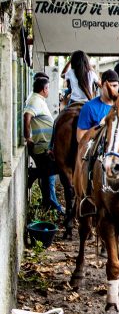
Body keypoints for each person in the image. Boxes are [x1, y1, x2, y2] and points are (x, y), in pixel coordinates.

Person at [23, 76, 59, 212]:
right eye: (48, 88)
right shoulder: (35, 100)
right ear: (44, 89)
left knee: (48, 173)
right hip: (42, 145)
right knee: (50, 171)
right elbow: (27, 116)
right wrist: (28, 137)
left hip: (45, 143)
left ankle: (48, 203)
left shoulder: (38, 100)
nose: (49, 90)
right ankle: (53, 204)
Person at [76, 70, 119, 142]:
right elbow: (80, 137)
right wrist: (99, 130)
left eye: (115, 86)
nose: (111, 89)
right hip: (97, 150)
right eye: (108, 86)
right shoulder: (89, 107)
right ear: (101, 86)